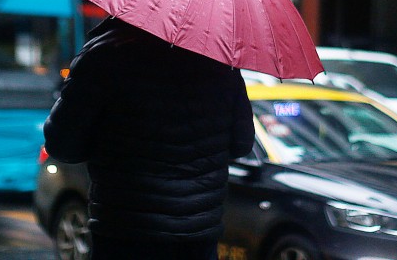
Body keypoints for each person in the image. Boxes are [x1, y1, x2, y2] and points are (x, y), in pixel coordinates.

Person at [43, 17, 255, 260]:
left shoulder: (103, 55)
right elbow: (242, 144)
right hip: (197, 236)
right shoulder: (221, 64)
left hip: (124, 231)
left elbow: (61, 144)